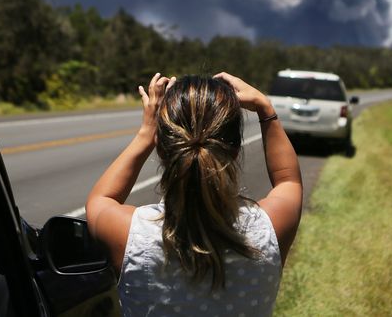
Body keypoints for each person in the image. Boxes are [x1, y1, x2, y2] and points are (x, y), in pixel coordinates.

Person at [86, 72, 303, 316]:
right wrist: (265, 108)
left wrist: (146, 132)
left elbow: (100, 200)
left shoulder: (130, 236)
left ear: (161, 148)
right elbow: (289, 181)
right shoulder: (269, 229)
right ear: (234, 151)